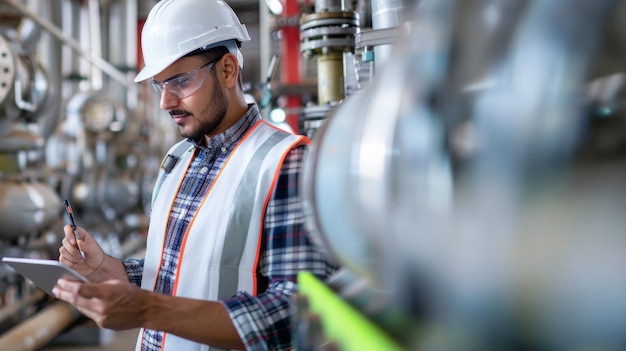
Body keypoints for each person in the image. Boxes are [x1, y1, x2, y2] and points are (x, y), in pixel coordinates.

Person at [52, 0, 338, 350]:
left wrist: (149, 309)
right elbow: (182, 271)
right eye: (160, 85)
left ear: (228, 70)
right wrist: (112, 271)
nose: (165, 102)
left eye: (180, 81)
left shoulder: (286, 163)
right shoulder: (178, 159)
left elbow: (297, 311)